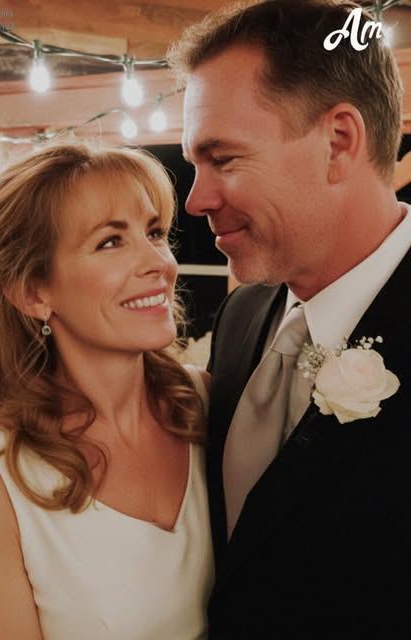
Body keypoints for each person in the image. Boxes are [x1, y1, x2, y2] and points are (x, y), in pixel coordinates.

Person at [168, 0, 411, 638]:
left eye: (224, 159)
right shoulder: (242, 316)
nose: (195, 200)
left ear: (338, 143)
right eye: (195, 165)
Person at [0, 142, 214, 640]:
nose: (159, 263)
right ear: (33, 293)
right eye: (110, 242)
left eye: (154, 233)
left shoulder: (203, 403)